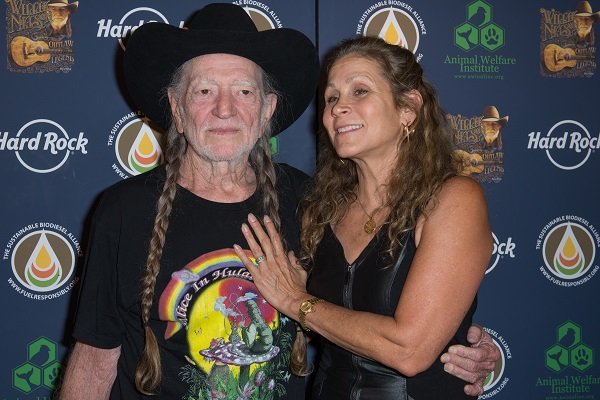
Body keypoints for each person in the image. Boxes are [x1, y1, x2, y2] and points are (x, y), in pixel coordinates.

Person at [60, 5, 497, 399]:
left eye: (245, 92)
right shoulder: (125, 211)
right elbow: (95, 360)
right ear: (176, 107)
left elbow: (382, 317)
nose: (225, 109)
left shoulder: (307, 200)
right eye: (205, 91)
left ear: (268, 108)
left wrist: (462, 343)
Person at [235, 36, 493, 399]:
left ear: (408, 108)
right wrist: (295, 301)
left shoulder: (453, 199)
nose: (339, 107)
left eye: (360, 91)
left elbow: (410, 351)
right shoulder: (319, 211)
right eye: (332, 98)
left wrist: (297, 300)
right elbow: (325, 324)